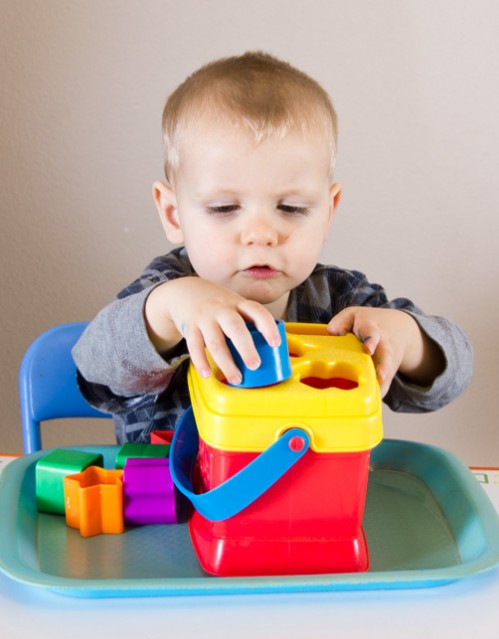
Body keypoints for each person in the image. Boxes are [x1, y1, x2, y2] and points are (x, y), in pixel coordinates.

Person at [73, 51, 472, 444]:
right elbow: (93, 368)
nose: (261, 234)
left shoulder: (341, 301)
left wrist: (407, 337)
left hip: (314, 503)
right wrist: (164, 312)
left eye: (292, 208)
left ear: (328, 212)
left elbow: (453, 374)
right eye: (224, 207)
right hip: (175, 506)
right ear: (175, 215)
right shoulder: (165, 290)